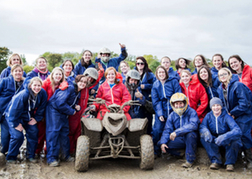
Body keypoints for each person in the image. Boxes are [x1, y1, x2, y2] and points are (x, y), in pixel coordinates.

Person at [46, 74, 87, 167]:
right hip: (54, 110)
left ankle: (65, 155)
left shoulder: (78, 92)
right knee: (54, 133)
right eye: (81, 81)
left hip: (63, 112)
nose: (83, 83)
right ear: (76, 81)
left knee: (65, 132)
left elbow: (70, 101)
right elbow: (59, 102)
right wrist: (71, 111)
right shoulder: (70, 88)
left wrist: (76, 106)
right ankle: (51, 158)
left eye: (85, 82)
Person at [5, 77, 47, 163]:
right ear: (30, 85)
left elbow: (42, 108)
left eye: (39, 85)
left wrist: (36, 119)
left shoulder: (42, 93)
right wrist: (16, 124)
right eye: (35, 85)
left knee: (34, 131)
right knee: (18, 136)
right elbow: (13, 110)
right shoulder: (23, 95)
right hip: (14, 117)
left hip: (28, 117)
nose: (37, 87)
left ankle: (30, 155)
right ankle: (11, 157)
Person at [217, 67, 252, 168]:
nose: (223, 76)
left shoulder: (238, 85)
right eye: (220, 75)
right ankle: (238, 159)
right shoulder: (220, 88)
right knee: (231, 133)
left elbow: (244, 103)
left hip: (243, 114)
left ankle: (249, 159)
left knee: (244, 134)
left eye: (225, 74)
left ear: (229, 75)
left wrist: (233, 113)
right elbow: (222, 103)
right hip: (231, 115)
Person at [68, 63, 104, 155]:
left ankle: (77, 151)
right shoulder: (78, 86)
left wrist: (101, 72)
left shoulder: (88, 87)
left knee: (79, 132)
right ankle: (70, 151)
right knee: (71, 132)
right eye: (89, 77)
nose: (90, 80)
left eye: (92, 79)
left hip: (82, 113)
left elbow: (97, 81)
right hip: (75, 113)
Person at [200, 97, 242, 171]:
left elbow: (237, 130)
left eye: (218, 105)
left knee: (235, 140)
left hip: (225, 140)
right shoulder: (208, 116)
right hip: (214, 139)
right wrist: (206, 132)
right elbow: (203, 126)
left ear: (221, 106)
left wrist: (224, 136)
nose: (216, 108)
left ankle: (230, 163)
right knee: (203, 138)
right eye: (213, 106)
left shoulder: (226, 116)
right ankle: (216, 161)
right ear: (211, 107)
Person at [158, 93, 200, 168]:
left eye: (181, 103)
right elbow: (167, 129)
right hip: (179, 139)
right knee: (161, 143)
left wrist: (177, 132)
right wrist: (163, 142)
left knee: (190, 135)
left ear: (185, 103)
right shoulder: (172, 115)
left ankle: (190, 160)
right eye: (176, 104)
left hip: (191, 138)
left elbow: (193, 125)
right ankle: (181, 153)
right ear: (173, 105)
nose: (178, 106)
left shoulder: (191, 112)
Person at [151, 66, 181, 157]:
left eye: (163, 72)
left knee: (173, 130)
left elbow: (178, 95)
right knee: (157, 130)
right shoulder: (156, 85)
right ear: (157, 74)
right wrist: (160, 114)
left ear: (166, 73)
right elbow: (155, 101)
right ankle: (156, 151)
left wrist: (177, 110)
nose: (161, 74)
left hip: (173, 108)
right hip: (161, 108)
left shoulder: (173, 82)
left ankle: (173, 151)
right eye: (159, 73)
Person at [25, 57, 50, 157]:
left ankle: (45, 149)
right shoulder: (31, 74)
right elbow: (27, 87)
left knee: (45, 130)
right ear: (36, 64)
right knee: (36, 131)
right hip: (34, 105)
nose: (42, 63)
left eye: (44, 62)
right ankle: (35, 151)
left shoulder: (50, 75)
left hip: (46, 104)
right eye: (40, 62)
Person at [0, 65, 25, 155]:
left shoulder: (24, 83)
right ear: (12, 72)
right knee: (5, 136)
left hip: (17, 113)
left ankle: (13, 152)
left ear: (22, 72)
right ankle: (3, 151)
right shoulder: (5, 81)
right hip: (4, 112)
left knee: (17, 135)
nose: (18, 73)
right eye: (16, 71)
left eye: (20, 71)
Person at [135, 56, 156, 134]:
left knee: (148, 119)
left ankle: (149, 135)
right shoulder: (134, 73)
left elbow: (154, 85)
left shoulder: (150, 74)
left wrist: (145, 86)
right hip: (136, 100)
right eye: (138, 63)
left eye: (142, 63)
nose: (140, 65)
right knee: (138, 119)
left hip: (147, 99)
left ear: (145, 64)